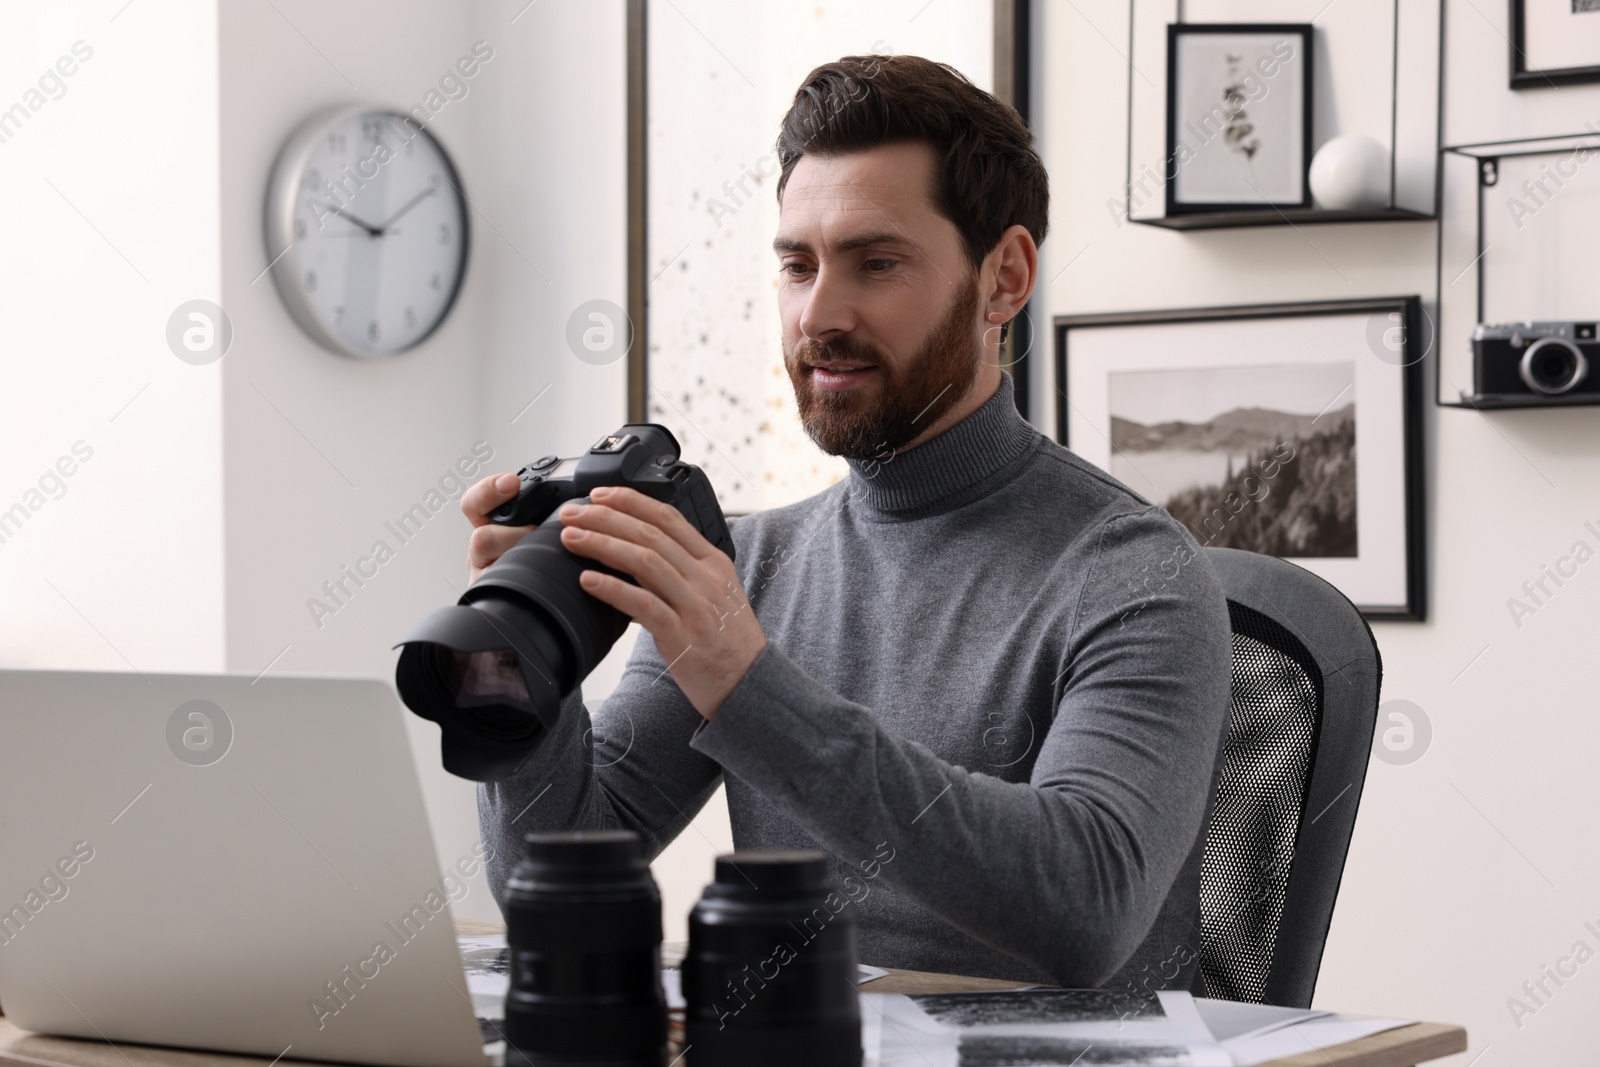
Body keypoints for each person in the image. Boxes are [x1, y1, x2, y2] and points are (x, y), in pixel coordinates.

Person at [459, 54, 1232, 990]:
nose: (818, 314)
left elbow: (1087, 906)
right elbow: (555, 877)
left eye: (877, 263)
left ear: (1005, 278)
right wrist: (522, 666)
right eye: (797, 265)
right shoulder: (745, 564)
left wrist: (747, 682)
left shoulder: (1135, 572)